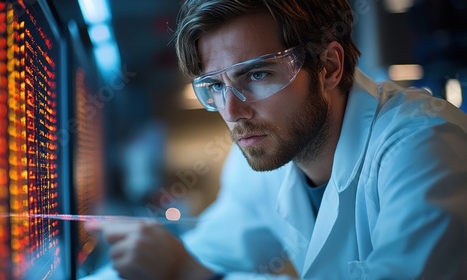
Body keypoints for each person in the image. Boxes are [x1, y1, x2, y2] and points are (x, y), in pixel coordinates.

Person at [85, 0, 467, 279]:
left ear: (329, 67)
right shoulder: (261, 157)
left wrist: (188, 274)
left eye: (256, 75)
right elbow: (206, 253)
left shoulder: (424, 146)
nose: (232, 112)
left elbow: (190, 269)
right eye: (215, 86)